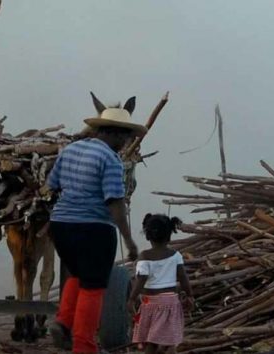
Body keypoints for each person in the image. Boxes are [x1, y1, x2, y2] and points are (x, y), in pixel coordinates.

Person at [47, 93, 145, 354]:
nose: (126, 142)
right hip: (94, 229)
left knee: (78, 275)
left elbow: (52, 185)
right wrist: (128, 239)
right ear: (114, 133)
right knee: (94, 287)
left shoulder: (70, 150)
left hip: (61, 226)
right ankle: (84, 346)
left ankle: (64, 322)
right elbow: (115, 202)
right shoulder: (111, 159)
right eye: (125, 136)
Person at [128, 213, 194, 354]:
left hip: (149, 304)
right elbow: (183, 277)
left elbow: (141, 281)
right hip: (171, 304)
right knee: (170, 344)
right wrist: (190, 295)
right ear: (169, 235)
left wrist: (132, 299)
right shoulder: (175, 256)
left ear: (147, 236)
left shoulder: (144, 257)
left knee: (151, 343)